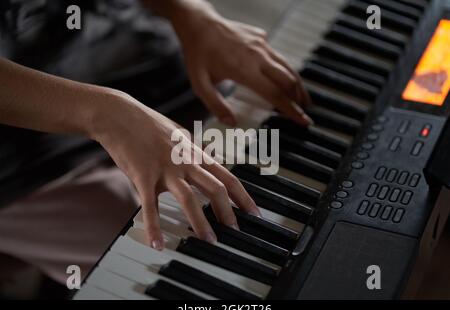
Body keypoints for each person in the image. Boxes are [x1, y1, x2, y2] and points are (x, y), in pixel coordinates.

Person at [0, 0, 311, 284]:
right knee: (157, 244)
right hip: (20, 143)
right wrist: (104, 113)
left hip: (110, 42)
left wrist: (191, 13)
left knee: (254, 113)